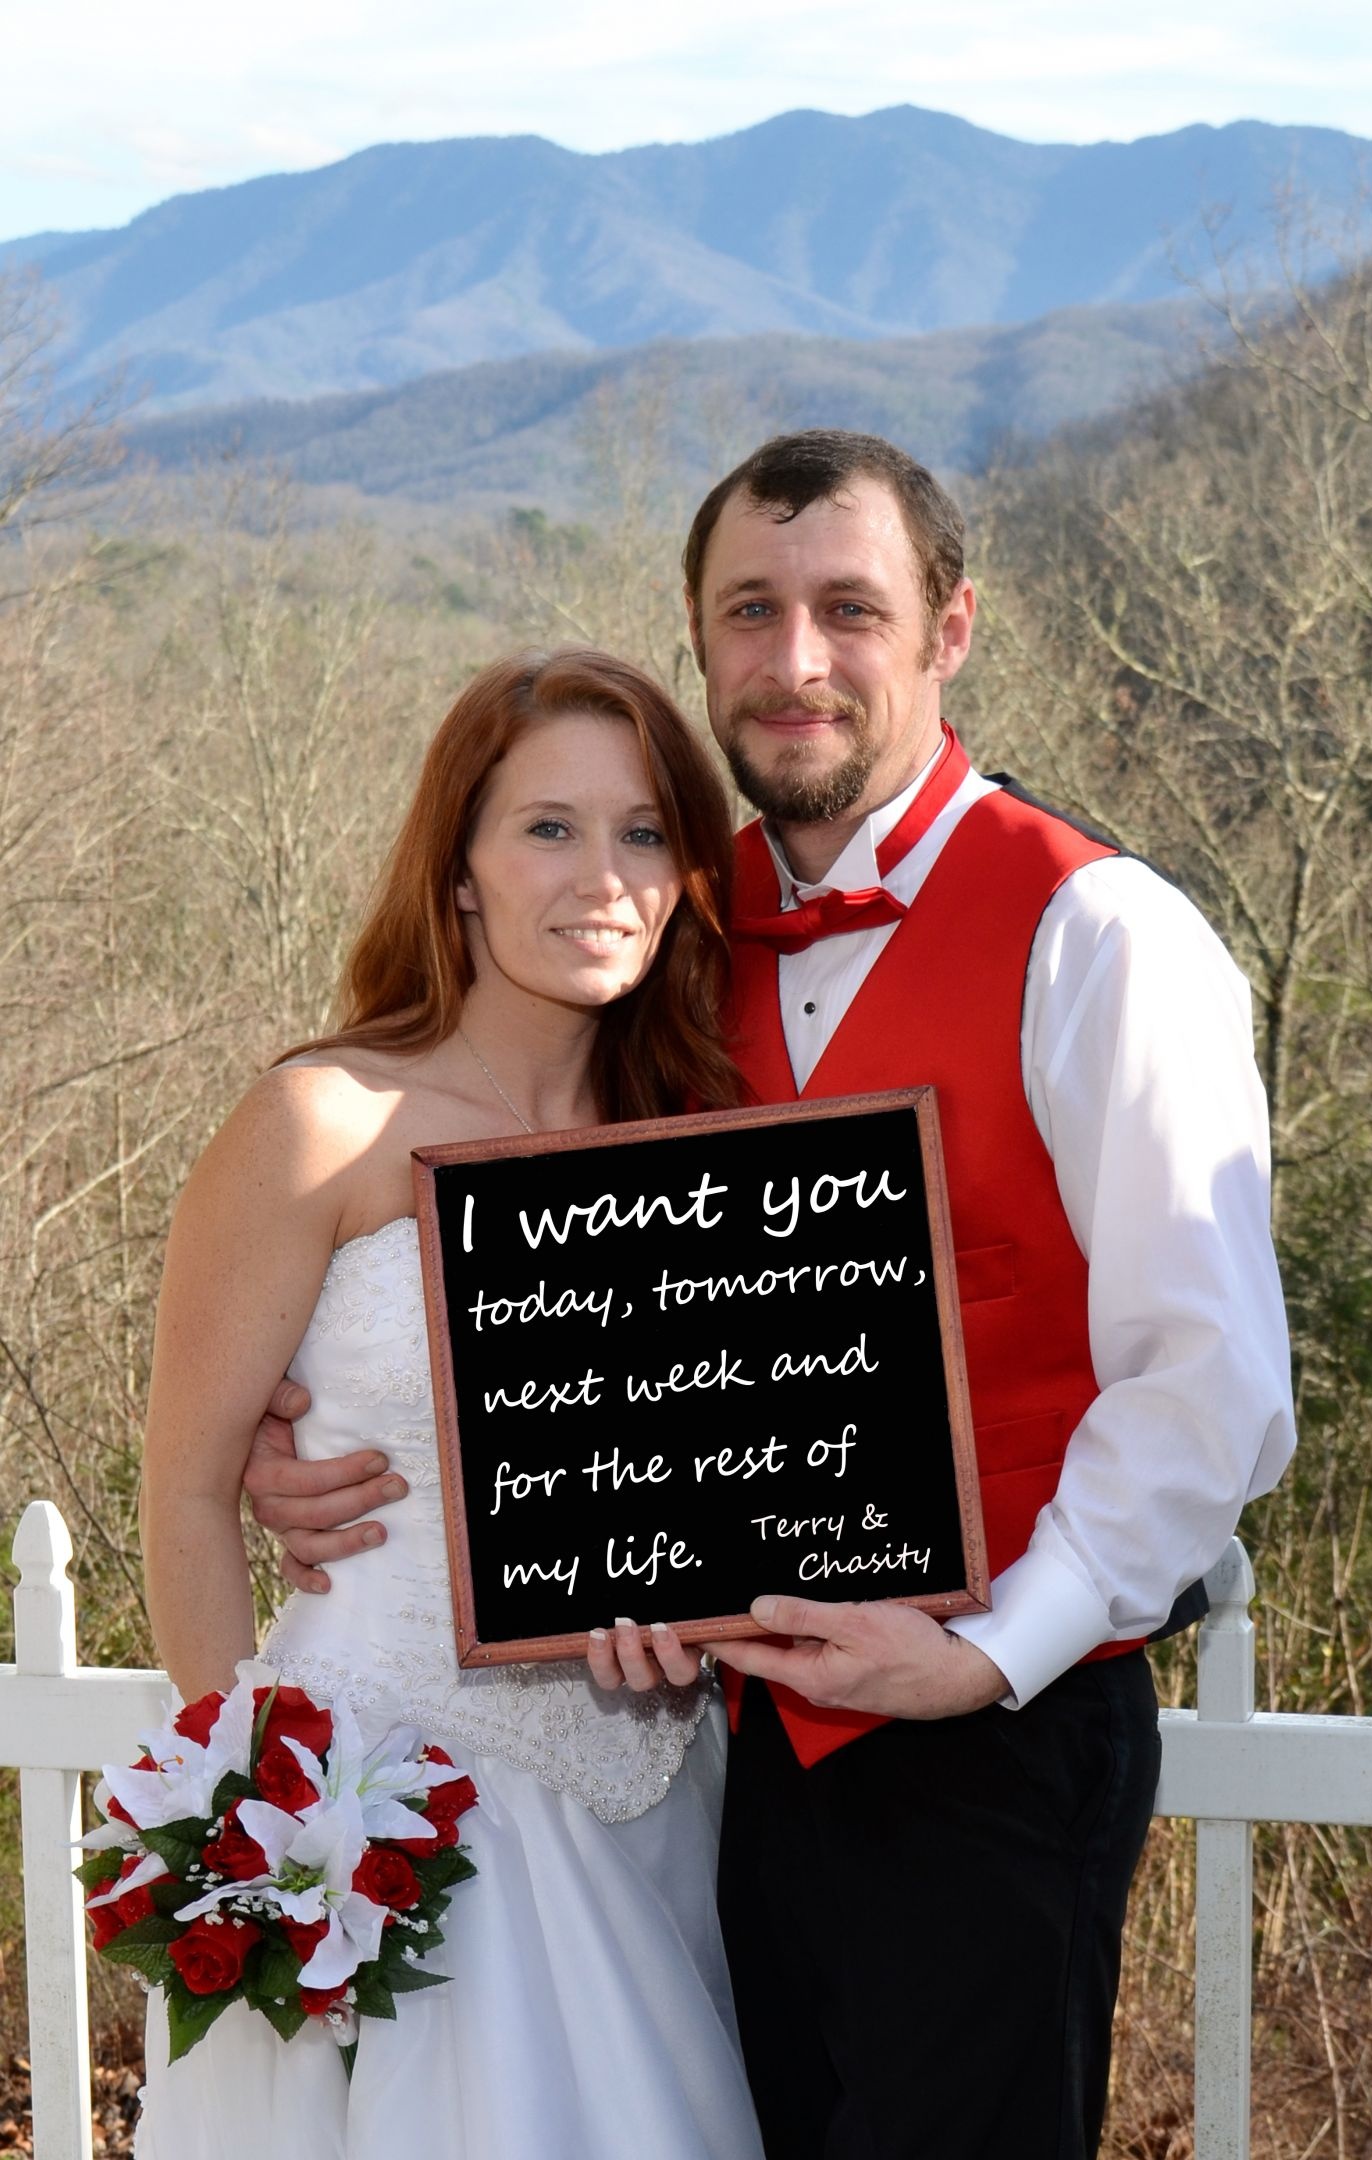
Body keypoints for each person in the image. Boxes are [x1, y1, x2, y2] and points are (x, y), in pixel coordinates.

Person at [248, 431, 1296, 2159]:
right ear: (700, 637)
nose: (795, 659)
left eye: (848, 610)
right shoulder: (665, 926)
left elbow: (1211, 1387)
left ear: (950, 630)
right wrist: (314, 1429)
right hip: (730, 1759)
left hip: (996, 1745)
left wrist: (989, 1654)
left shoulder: (1100, 934)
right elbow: (540, 1254)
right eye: (750, 609)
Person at [135, 649, 767, 2160]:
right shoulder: (324, 1122)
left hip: (671, 1802)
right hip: (401, 1819)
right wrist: (265, 1843)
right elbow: (184, 1491)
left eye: (642, 832)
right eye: (548, 827)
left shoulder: (708, 1142)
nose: (601, 876)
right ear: (461, 868)